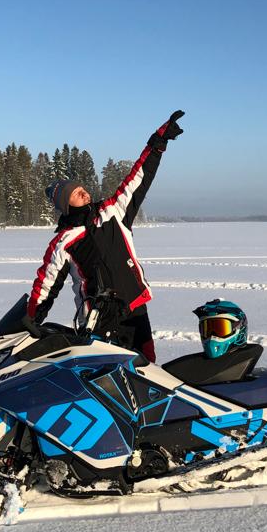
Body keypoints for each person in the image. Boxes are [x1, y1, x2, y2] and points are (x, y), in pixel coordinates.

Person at [26, 111, 185, 361]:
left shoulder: (112, 212)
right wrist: (30, 321)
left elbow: (138, 179)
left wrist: (156, 144)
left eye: (83, 189)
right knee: (107, 381)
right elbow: (45, 287)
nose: (85, 193)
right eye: (77, 193)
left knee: (147, 371)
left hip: (134, 309)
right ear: (65, 203)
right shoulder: (63, 242)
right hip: (98, 321)